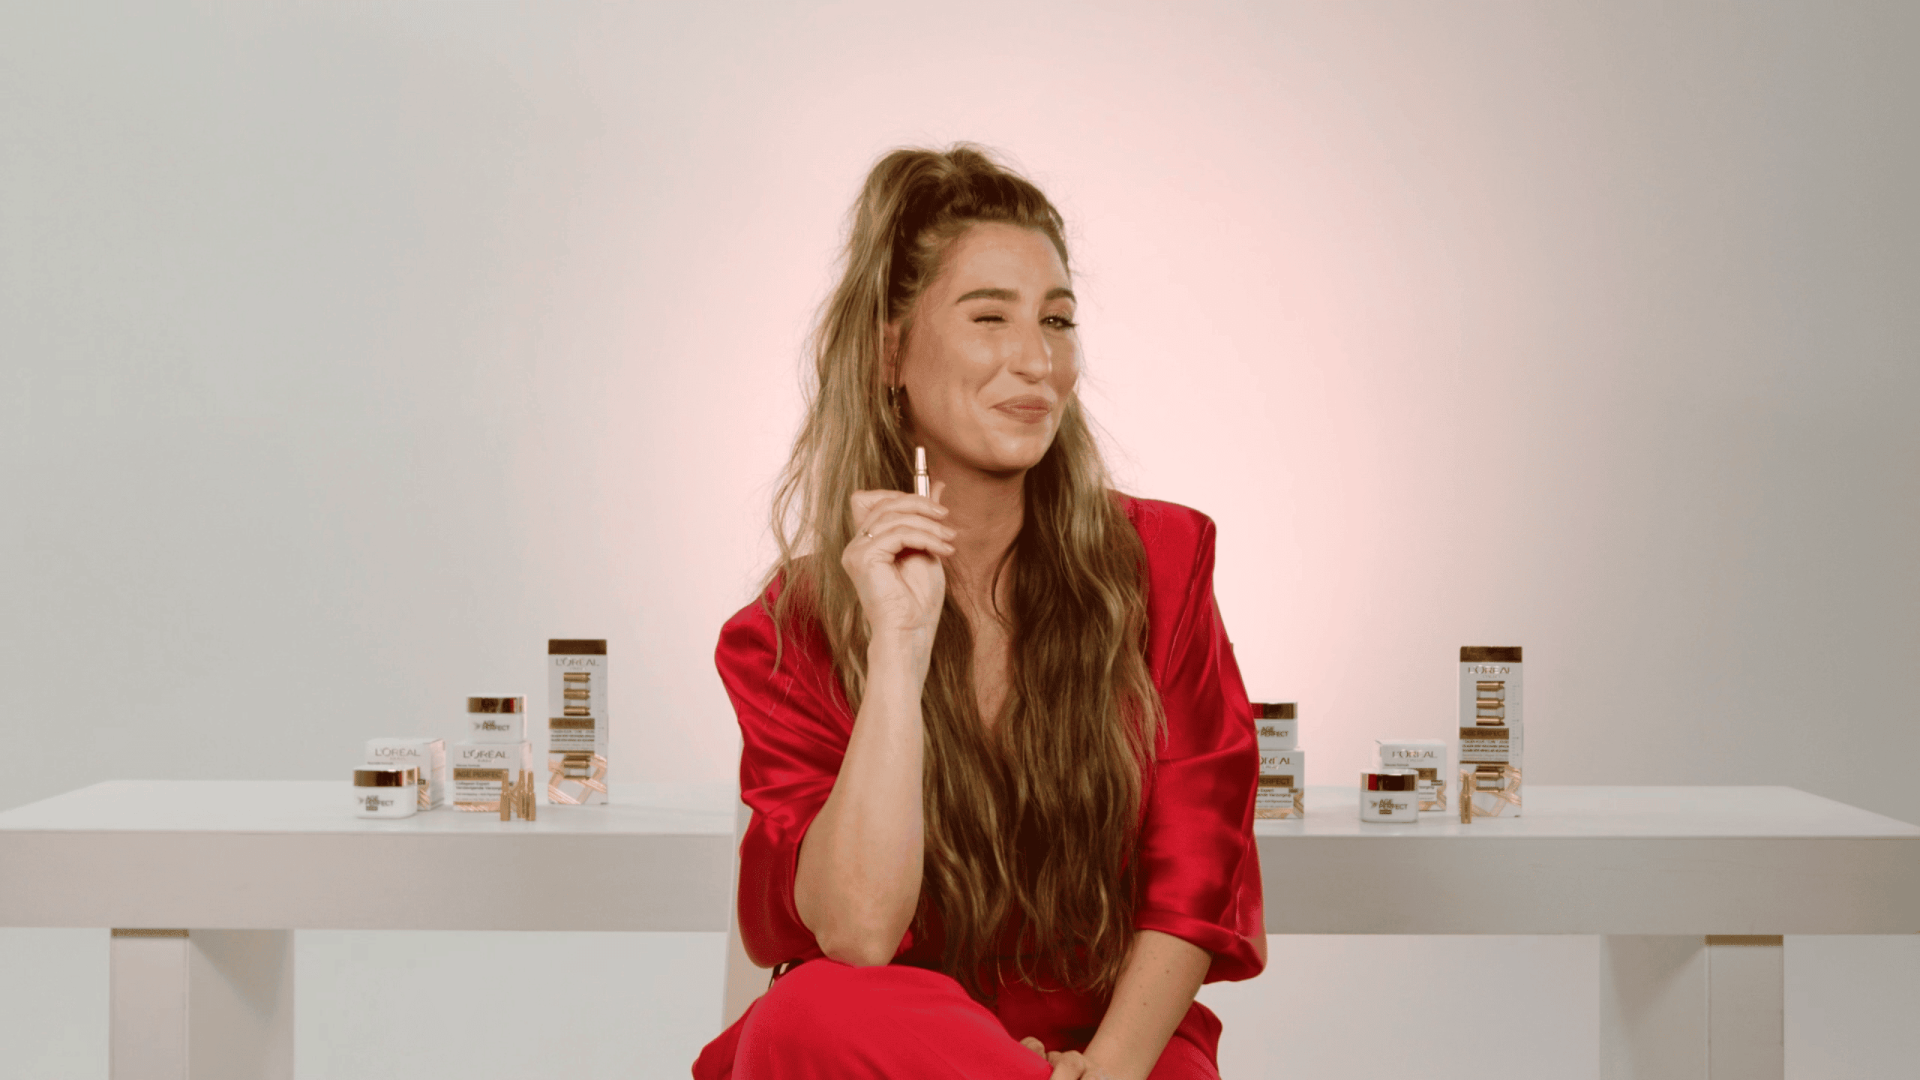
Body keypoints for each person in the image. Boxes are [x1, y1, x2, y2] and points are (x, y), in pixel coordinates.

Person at [693, 145, 1264, 1080]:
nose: (1038, 361)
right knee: (815, 1010)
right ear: (891, 353)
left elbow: (1195, 874)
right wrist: (900, 647)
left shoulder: (1163, 563)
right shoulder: (785, 633)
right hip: (902, 1049)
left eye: (1058, 320)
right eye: (989, 317)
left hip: (1119, 1047)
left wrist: (1107, 1069)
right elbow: (860, 931)